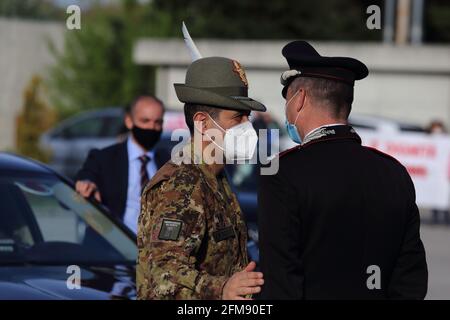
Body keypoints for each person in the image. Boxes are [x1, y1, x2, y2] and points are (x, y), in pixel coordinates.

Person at [258, 41, 428, 299]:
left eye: (288, 99)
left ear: (300, 99)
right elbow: (410, 279)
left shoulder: (282, 173)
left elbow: (281, 284)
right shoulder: (393, 173)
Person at [137, 56, 266, 300]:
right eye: (237, 117)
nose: (247, 126)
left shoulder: (216, 177)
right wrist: (222, 289)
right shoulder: (182, 184)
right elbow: (163, 277)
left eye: (247, 117)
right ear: (203, 123)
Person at [75, 96, 167, 233]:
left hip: (155, 250)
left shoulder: (169, 162)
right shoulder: (103, 158)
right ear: (129, 121)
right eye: (145, 121)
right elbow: (86, 176)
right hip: (113, 247)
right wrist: (86, 183)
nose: (152, 127)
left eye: (158, 122)